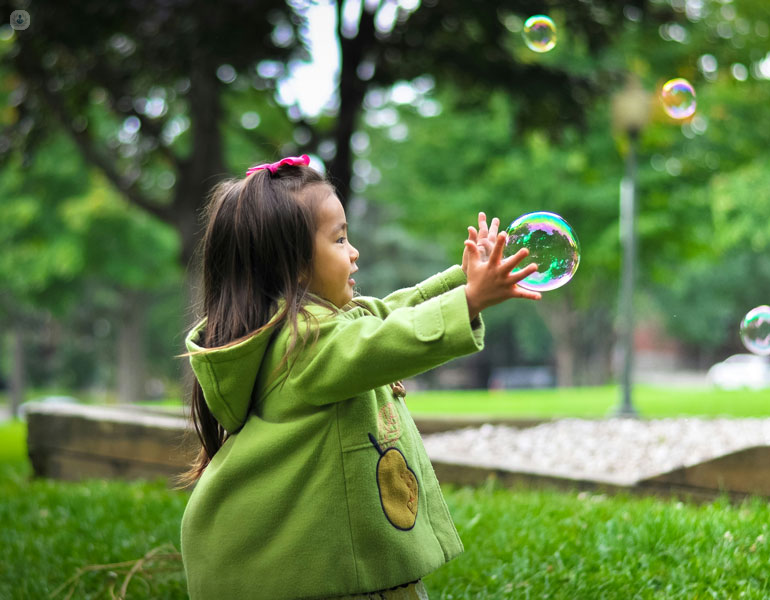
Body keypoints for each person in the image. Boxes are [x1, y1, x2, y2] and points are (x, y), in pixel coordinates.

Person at [176, 154, 542, 600]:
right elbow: (382, 340)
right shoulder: (302, 344)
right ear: (294, 266)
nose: (354, 252)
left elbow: (382, 315)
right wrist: (467, 301)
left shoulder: (310, 328)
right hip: (333, 582)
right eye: (339, 239)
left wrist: (461, 283)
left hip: (333, 567)